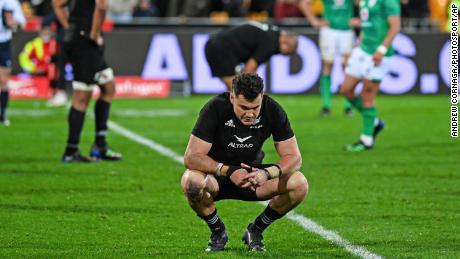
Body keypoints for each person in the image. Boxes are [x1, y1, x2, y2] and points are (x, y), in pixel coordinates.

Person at [181, 73, 309, 252]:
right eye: (243, 107)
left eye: (255, 107)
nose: (250, 114)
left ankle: (255, 231)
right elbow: (191, 157)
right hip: (217, 176)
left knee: (299, 184)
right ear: (232, 96)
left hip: (253, 178)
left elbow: (294, 157)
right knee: (191, 182)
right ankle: (218, 231)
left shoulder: (272, 109)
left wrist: (266, 173)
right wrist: (228, 170)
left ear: (262, 98)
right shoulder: (215, 108)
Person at [52, 0, 122, 162]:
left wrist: (69, 26)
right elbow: (102, 5)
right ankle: (71, 151)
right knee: (82, 96)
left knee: (108, 87)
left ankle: (100, 145)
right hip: (86, 41)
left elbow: (57, 3)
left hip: (78, 36)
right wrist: (95, 34)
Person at [340, 0, 401, 151]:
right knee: (346, 89)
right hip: (362, 51)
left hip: (379, 54)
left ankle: (366, 140)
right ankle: (374, 122)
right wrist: (357, 46)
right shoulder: (364, 1)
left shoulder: (389, 2)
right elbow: (367, 25)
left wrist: (381, 49)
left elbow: (395, 27)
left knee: (367, 96)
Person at [299, 0, 357, 116]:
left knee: (346, 67)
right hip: (329, 31)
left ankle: (348, 105)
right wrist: (314, 21)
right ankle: (326, 105)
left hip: (346, 31)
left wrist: (360, 19)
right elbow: (304, 3)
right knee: (328, 65)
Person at [205, 21, 298, 91]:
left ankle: (228, 113)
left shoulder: (271, 32)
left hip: (213, 43)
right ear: (286, 43)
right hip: (222, 48)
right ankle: (228, 114)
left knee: (234, 89)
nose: (285, 55)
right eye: (288, 52)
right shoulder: (272, 43)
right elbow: (249, 69)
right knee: (239, 90)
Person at [0, 0, 25, 126]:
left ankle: (3, 114)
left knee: (3, 80)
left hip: (3, 42)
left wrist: (12, 22)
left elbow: (21, 21)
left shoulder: (10, 1)